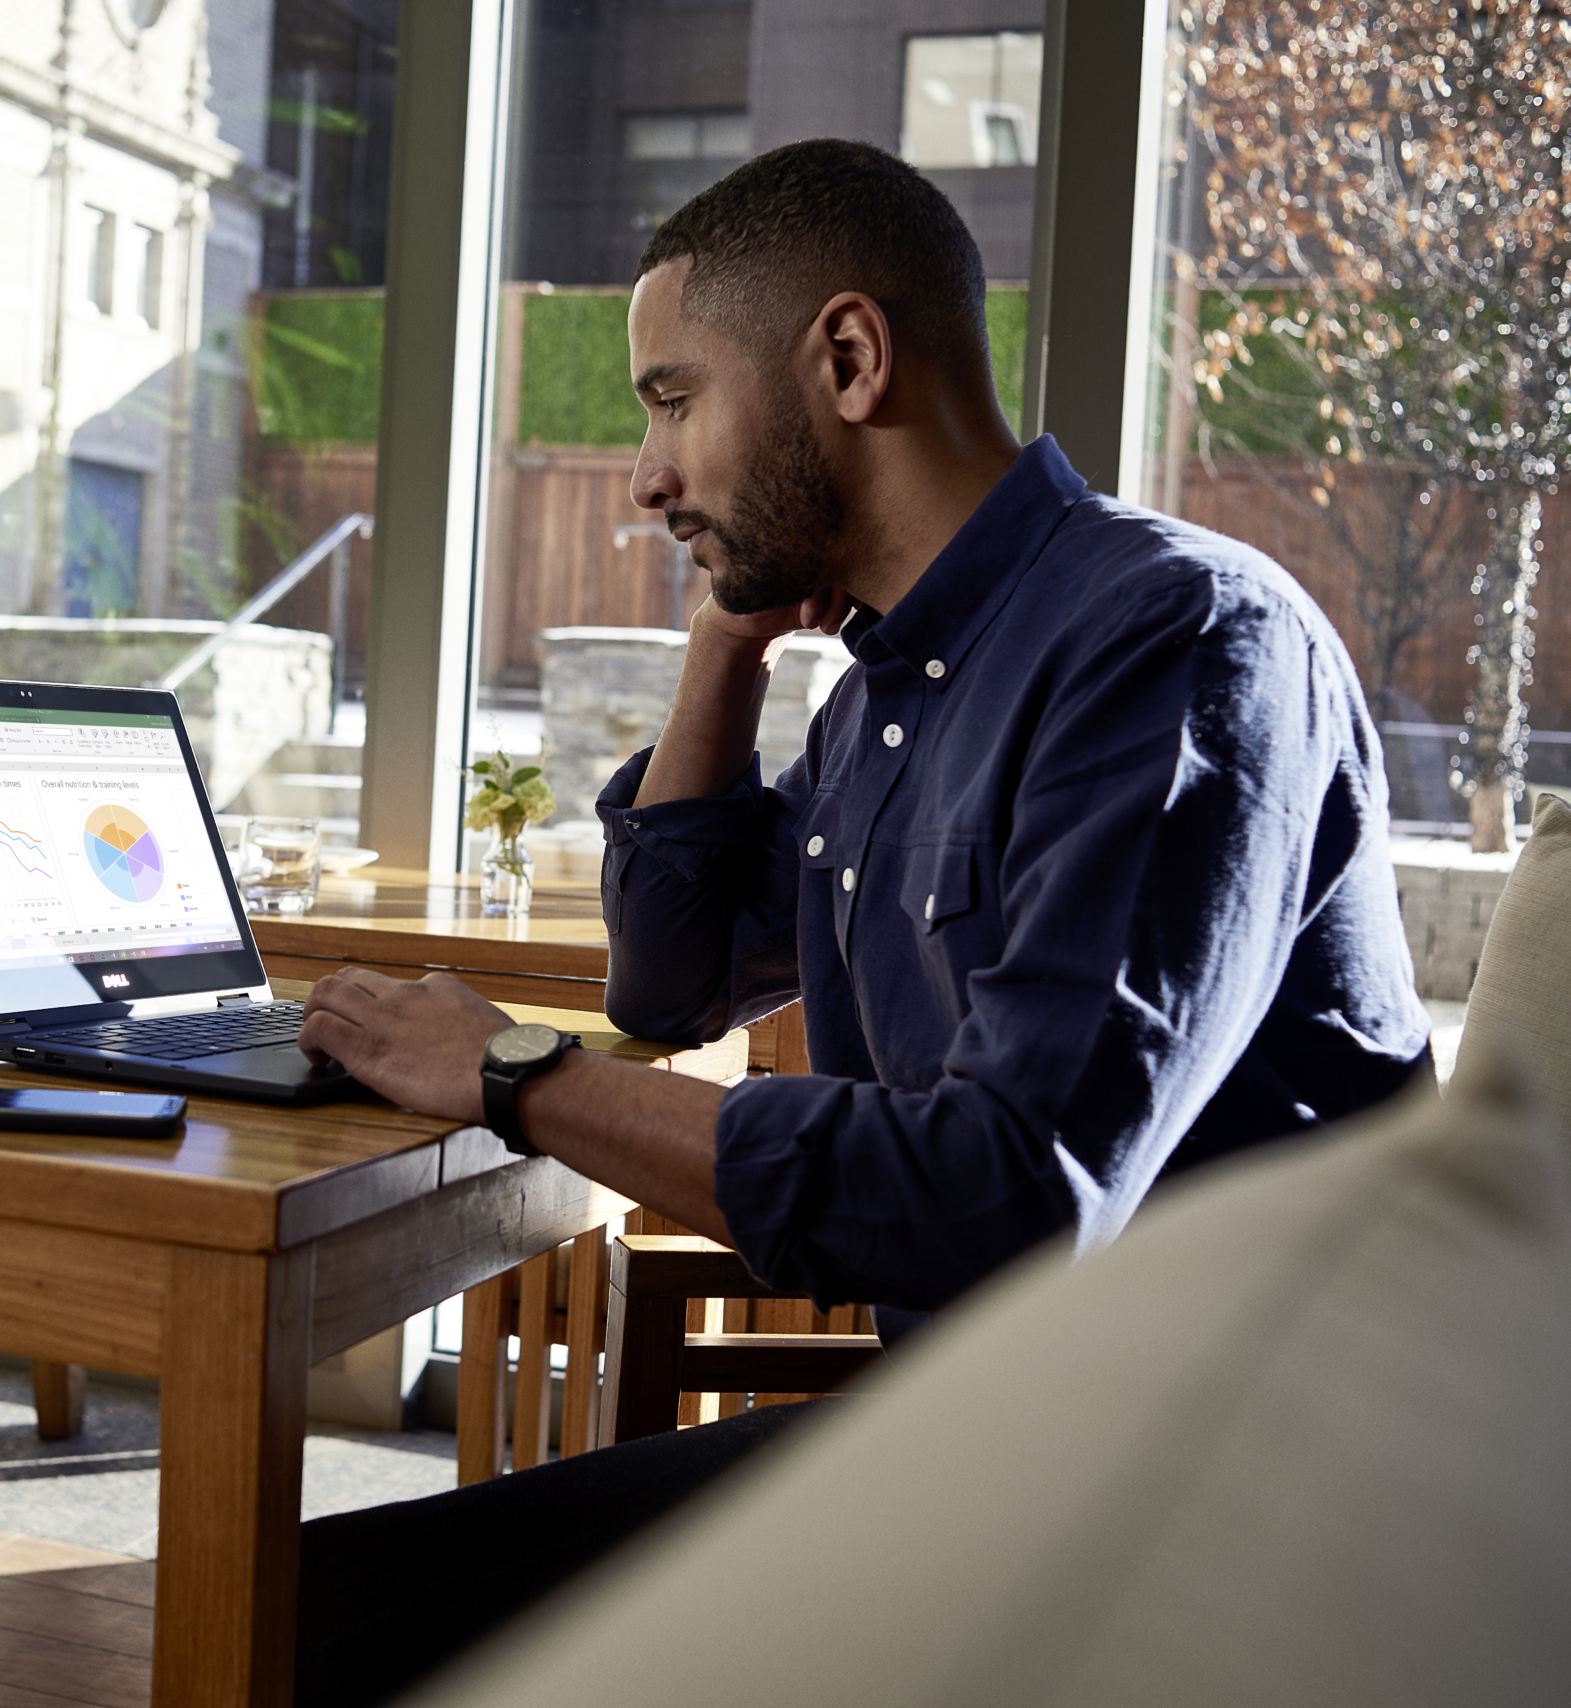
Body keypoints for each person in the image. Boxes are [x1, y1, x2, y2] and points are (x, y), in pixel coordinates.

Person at [291, 138, 1431, 1704]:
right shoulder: (890, 694)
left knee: (329, 1636)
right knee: (290, 1612)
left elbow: (1017, 1195)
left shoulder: (1173, 638)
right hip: (990, 1450)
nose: (644, 476)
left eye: (673, 398)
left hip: (1207, 1513)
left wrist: (516, 1073)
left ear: (845, 355)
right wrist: (728, 644)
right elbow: (673, 971)